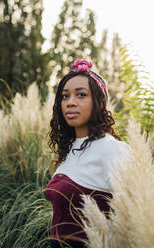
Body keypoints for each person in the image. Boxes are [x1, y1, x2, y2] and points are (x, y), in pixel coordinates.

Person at [46, 59, 129, 248]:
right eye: (65, 96)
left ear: (99, 102)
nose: (70, 102)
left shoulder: (111, 148)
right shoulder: (71, 150)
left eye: (81, 95)